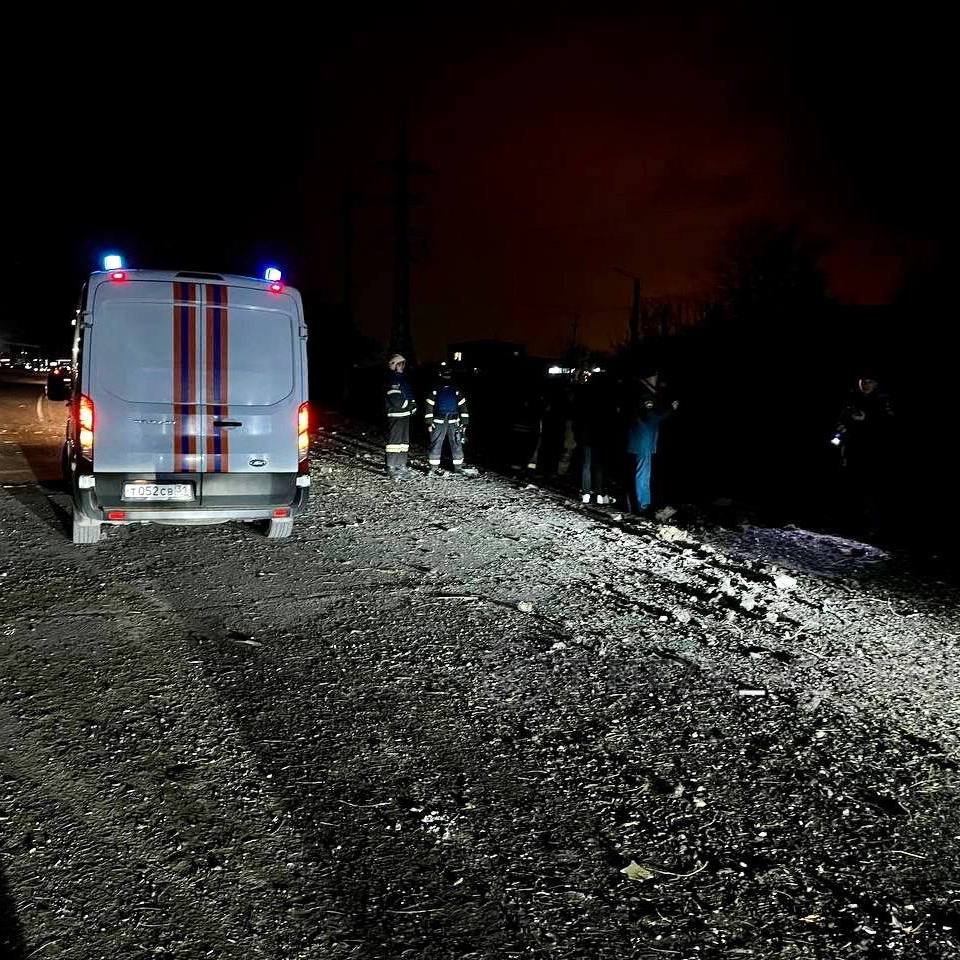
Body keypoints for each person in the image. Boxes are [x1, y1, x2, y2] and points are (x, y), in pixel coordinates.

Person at [831, 373, 895, 531]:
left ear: (876, 384)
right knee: (850, 483)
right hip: (852, 449)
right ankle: (850, 522)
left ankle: (874, 526)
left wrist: (867, 419)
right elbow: (841, 422)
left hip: (874, 452)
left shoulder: (882, 400)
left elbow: (888, 423)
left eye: (870, 381)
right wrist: (838, 436)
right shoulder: (852, 399)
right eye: (863, 381)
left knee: (872, 487)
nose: (865, 384)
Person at [624, 370, 678, 514]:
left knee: (639, 472)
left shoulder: (639, 392)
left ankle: (637, 503)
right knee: (643, 473)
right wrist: (670, 409)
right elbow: (651, 417)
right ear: (649, 378)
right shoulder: (646, 395)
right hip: (643, 440)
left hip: (639, 439)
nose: (656, 379)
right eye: (655, 377)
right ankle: (642, 504)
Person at [573, 370, 616, 505]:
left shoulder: (585, 395)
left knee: (586, 465)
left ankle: (586, 493)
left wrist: (578, 433)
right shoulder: (607, 398)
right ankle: (598, 494)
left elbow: (578, 416)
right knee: (599, 466)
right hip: (601, 436)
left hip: (587, 435)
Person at [424, 362, 470, 474]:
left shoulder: (455, 388)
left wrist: (464, 422)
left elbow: (462, 405)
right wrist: (429, 422)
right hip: (440, 421)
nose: (447, 376)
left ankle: (457, 468)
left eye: (448, 373)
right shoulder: (436, 387)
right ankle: (434, 468)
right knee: (438, 443)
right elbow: (429, 405)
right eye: (446, 373)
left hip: (452, 421)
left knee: (455, 443)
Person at [385, 353, 417, 480]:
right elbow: (395, 398)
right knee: (394, 442)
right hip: (396, 414)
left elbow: (409, 394)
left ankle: (401, 465)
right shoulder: (392, 379)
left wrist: (413, 405)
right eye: (400, 364)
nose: (402, 366)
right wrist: (409, 405)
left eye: (403, 364)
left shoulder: (403, 379)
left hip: (405, 414)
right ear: (394, 365)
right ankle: (391, 467)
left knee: (404, 442)